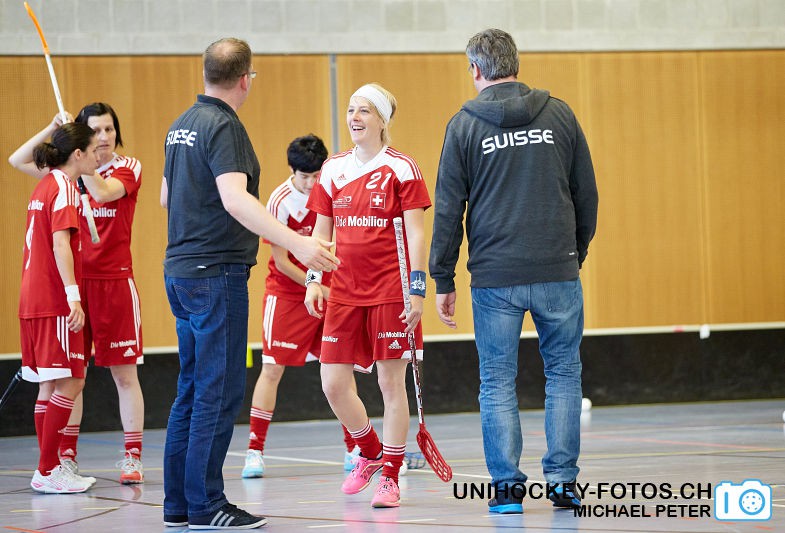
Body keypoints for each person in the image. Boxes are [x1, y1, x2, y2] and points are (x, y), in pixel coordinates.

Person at [161, 37, 338, 529]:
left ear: (206, 74)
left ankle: (179, 504)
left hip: (180, 272)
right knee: (216, 391)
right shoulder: (224, 126)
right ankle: (206, 505)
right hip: (215, 274)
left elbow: (166, 197)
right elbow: (235, 200)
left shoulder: (180, 126)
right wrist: (299, 243)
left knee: (191, 388)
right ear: (245, 79)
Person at [429, 29, 599, 514]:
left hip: (494, 277)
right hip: (556, 269)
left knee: (497, 380)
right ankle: (563, 483)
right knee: (563, 373)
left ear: (475, 70)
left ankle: (506, 489)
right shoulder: (559, 114)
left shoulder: (464, 125)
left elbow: (448, 208)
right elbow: (586, 194)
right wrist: (574, 252)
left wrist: (443, 277)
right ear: (516, 64)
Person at [305, 83, 431, 508]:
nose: (354, 118)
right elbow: (321, 232)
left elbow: (416, 233)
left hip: (391, 292)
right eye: (350, 110)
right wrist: (313, 279)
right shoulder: (332, 169)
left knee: (389, 383)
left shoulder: (402, 168)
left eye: (364, 111)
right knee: (332, 383)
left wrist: (417, 290)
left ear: (381, 120)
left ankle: (391, 477)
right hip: (343, 291)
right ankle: (371, 450)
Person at [9, 103, 146, 485]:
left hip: (114, 281)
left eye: (109, 129)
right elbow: (17, 160)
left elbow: (103, 192)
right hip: (73, 284)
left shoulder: (126, 167)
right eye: (95, 130)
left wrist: (80, 168)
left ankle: (132, 456)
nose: (103, 137)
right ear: (82, 140)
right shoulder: (63, 180)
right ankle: (62, 459)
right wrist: (53, 129)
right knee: (71, 374)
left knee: (124, 374)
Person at [242, 134, 356, 477]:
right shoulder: (280, 200)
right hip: (288, 293)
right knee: (272, 369)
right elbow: (281, 260)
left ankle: (355, 448)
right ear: (292, 171)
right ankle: (254, 450)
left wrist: (328, 287)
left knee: (339, 369)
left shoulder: (333, 191)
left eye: (316, 176)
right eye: (305, 176)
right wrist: (313, 284)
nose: (311, 183)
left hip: (327, 292)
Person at [16, 122, 99, 493]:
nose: (98, 157)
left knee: (49, 384)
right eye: (94, 150)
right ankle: (48, 470)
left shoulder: (45, 184)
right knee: (72, 379)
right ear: (77, 154)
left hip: (32, 297)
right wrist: (73, 296)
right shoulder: (64, 186)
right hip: (52, 299)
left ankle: (49, 468)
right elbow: (60, 243)